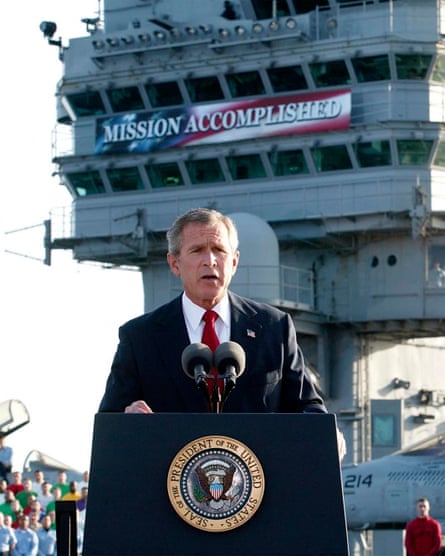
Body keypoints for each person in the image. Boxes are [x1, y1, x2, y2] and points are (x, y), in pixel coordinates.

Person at [99, 208, 329, 417]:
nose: (210, 261)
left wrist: (324, 433)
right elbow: (110, 422)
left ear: (235, 262)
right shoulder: (140, 337)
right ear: (174, 263)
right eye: (197, 250)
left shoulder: (273, 327)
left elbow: (308, 408)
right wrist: (127, 418)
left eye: (219, 250)